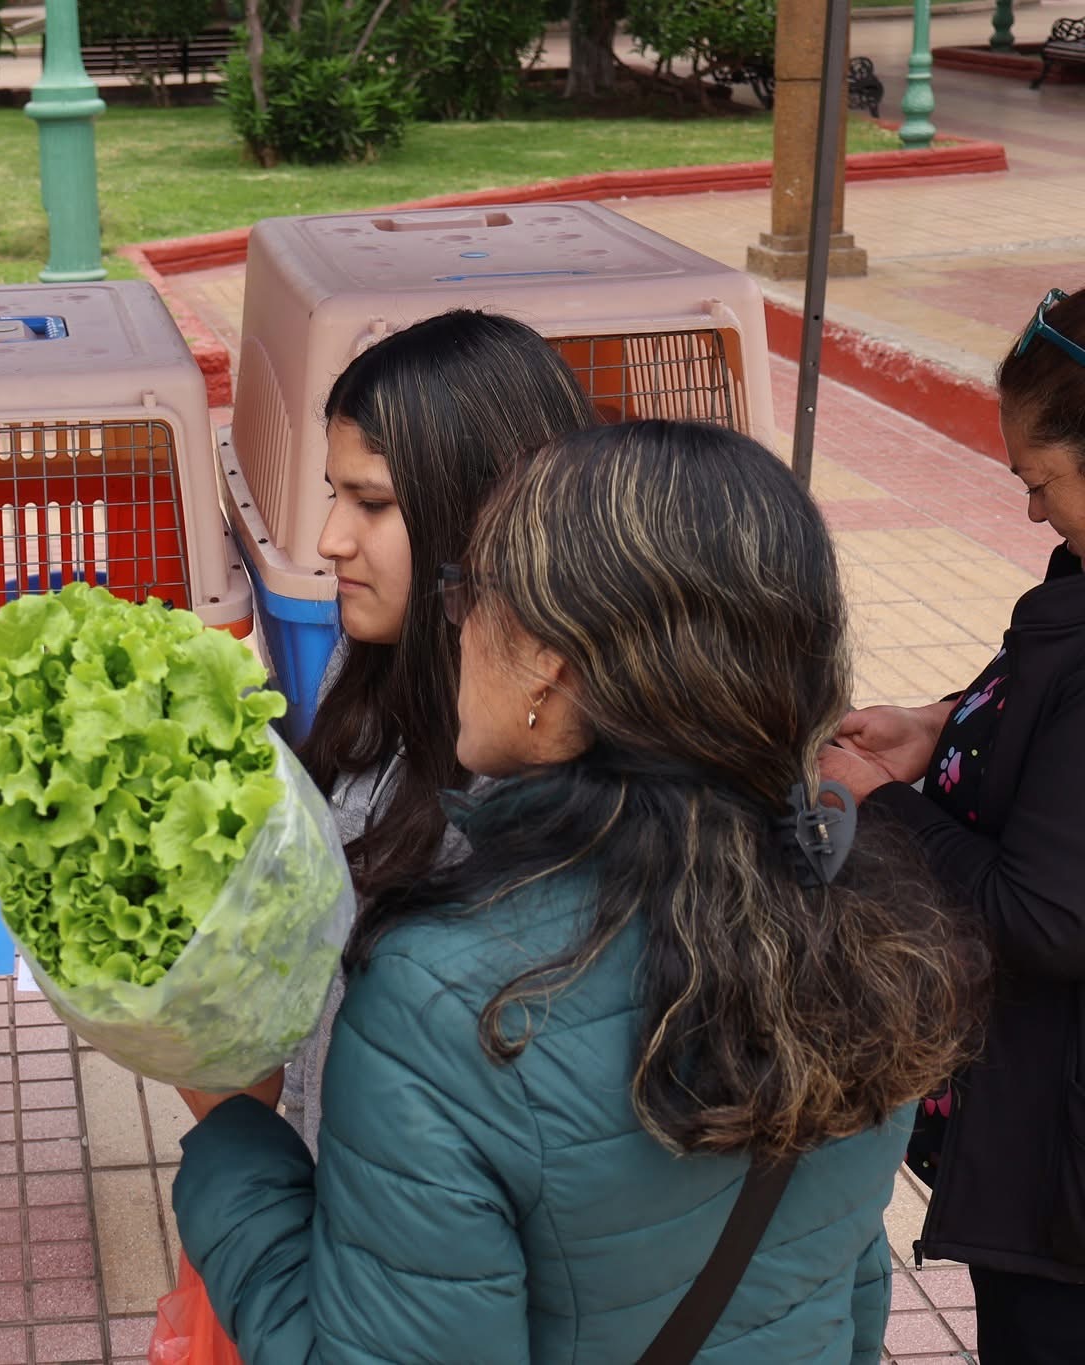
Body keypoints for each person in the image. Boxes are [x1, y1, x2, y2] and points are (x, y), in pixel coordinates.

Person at [172, 422, 986, 1362]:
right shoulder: (871, 928)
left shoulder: (449, 1001)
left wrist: (232, 1126)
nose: (457, 624)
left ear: (550, 671)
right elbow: (844, 1296)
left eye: (467, 593)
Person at [823, 285, 1085, 1363]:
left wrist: (881, 811)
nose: (1030, 516)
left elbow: (1043, 918)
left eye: (1040, 482)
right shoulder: (1075, 576)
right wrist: (945, 725)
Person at [282, 310, 599, 1147]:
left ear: (485, 507)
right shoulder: (363, 652)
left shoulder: (546, 758)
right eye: (334, 493)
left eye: (373, 503)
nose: (328, 540)